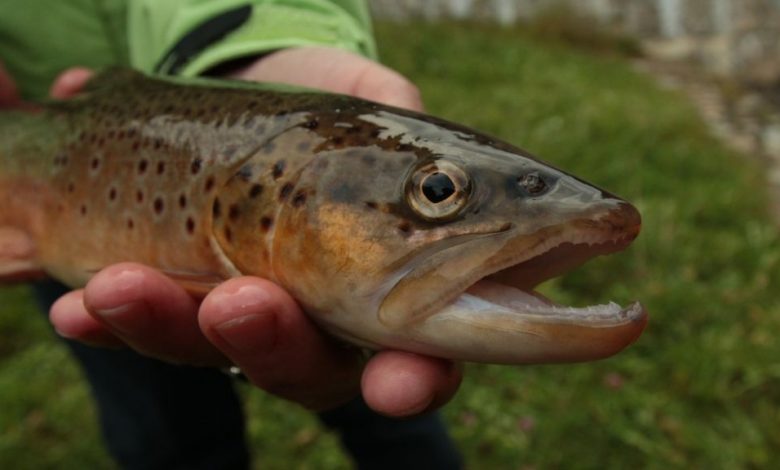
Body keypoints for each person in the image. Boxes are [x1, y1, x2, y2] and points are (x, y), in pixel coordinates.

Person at [0, 1, 463, 468]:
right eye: (438, 192)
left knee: (390, 414)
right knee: (169, 436)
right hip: (47, 141)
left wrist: (252, 43)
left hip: (205, 69)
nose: (438, 196)